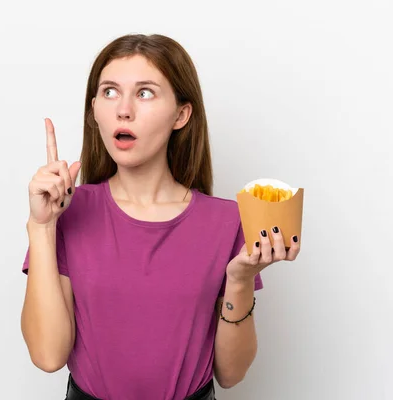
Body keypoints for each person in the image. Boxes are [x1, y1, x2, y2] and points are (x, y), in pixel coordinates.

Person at [20, 33, 300, 400]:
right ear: (94, 111)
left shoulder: (229, 222)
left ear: (181, 115)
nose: (123, 109)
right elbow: (47, 355)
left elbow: (231, 374)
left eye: (145, 92)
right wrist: (42, 227)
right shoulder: (68, 212)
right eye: (109, 92)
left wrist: (239, 280)